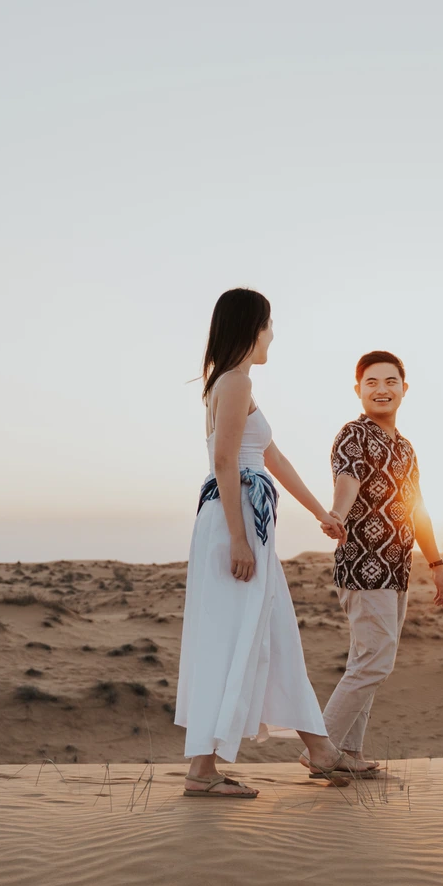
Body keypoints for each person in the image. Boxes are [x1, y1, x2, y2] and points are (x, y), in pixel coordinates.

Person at [174, 287, 358, 797]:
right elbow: (226, 463)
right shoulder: (233, 383)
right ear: (250, 327)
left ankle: (318, 749)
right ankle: (203, 771)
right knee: (231, 637)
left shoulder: (235, 385)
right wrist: (238, 539)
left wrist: (321, 510)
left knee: (272, 633)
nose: (272, 333)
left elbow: (273, 459)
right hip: (235, 523)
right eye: (268, 323)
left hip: (245, 519)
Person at [319, 350, 443, 774]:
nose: (381, 389)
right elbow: (348, 480)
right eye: (371, 382)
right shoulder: (353, 435)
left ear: (404, 389)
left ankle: (350, 754)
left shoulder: (406, 448)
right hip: (363, 565)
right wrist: (337, 513)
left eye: (390, 381)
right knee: (377, 659)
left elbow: (417, 509)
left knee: (367, 662)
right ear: (358, 389)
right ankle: (321, 750)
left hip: (396, 570)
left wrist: (435, 563)